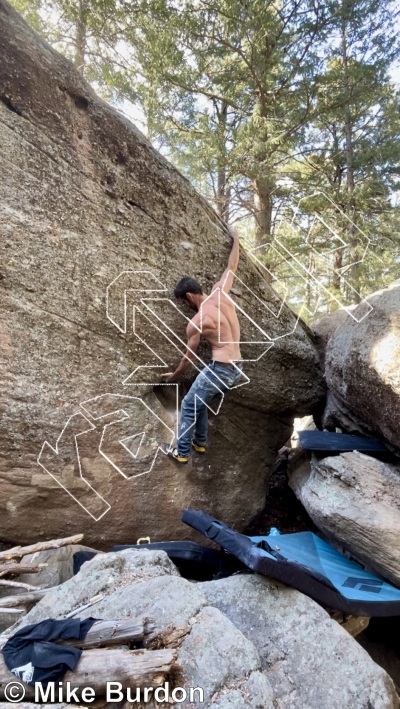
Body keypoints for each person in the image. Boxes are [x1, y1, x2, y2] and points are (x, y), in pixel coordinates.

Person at [161, 227, 243, 463]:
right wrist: (236, 239)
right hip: (237, 368)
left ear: (188, 297)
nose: (185, 307)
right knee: (200, 398)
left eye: (182, 302)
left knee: (188, 405)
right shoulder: (220, 293)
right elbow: (232, 267)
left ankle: (182, 452)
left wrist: (174, 375)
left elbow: (189, 358)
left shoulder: (197, 322)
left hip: (221, 369)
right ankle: (200, 442)